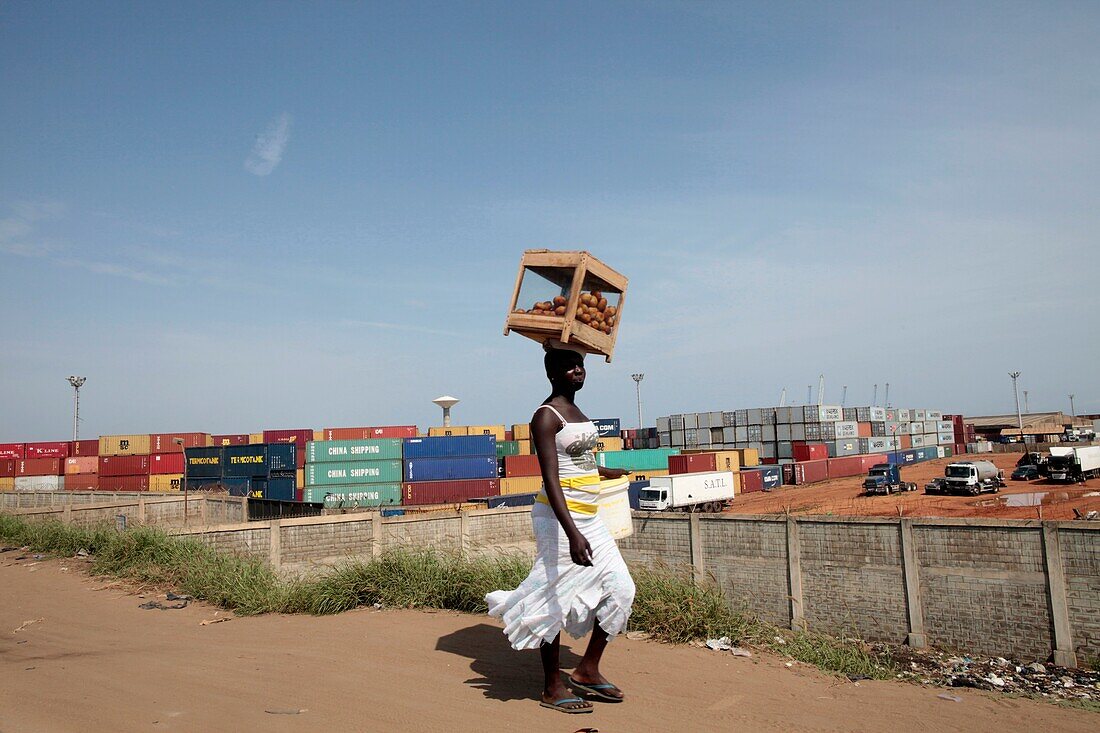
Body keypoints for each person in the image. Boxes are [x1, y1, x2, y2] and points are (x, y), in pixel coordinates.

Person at [486, 346, 635, 714]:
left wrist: (606, 473)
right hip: (559, 520)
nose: (578, 371)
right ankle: (552, 687)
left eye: (580, 365)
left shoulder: (579, 413)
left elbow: (580, 461)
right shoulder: (545, 417)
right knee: (552, 597)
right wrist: (573, 534)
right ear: (553, 374)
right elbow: (552, 480)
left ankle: (586, 670)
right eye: (569, 367)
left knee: (621, 588)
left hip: (591, 519)